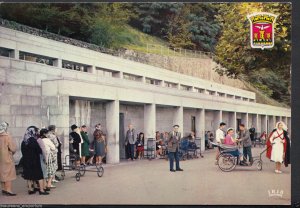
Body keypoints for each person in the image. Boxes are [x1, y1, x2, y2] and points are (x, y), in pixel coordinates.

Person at [21, 126, 49, 195]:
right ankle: (41, 190)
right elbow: (39, 150)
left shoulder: (24, 141)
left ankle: (30, 189)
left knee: (28, 175)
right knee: (39, 175)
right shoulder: (33, 140)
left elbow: (22, 151)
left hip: (26, 160)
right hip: (34, 160)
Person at [0, 122, 17, 196]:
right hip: (7, 158)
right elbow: (13, 148)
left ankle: (3, 189)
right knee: (8, 175)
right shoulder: (7, 136)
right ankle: (8, 190)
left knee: (2, 173)